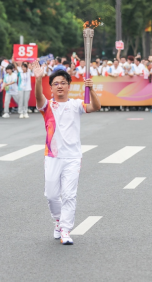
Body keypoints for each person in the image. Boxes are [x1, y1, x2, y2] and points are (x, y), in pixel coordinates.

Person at [33, 62, 101, 245]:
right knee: (52, 195)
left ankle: (65, 230)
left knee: (69, 195)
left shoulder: (76, 104)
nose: (60, 86)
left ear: (69, 86)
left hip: (72, 157)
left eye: (63, 82)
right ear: (52, 88)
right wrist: (38, 79)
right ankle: (57, 219)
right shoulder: (47, 106)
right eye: (56, 83)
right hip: (53, 157)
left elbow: (96, 107)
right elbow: (38, 97)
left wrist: (91, 90)